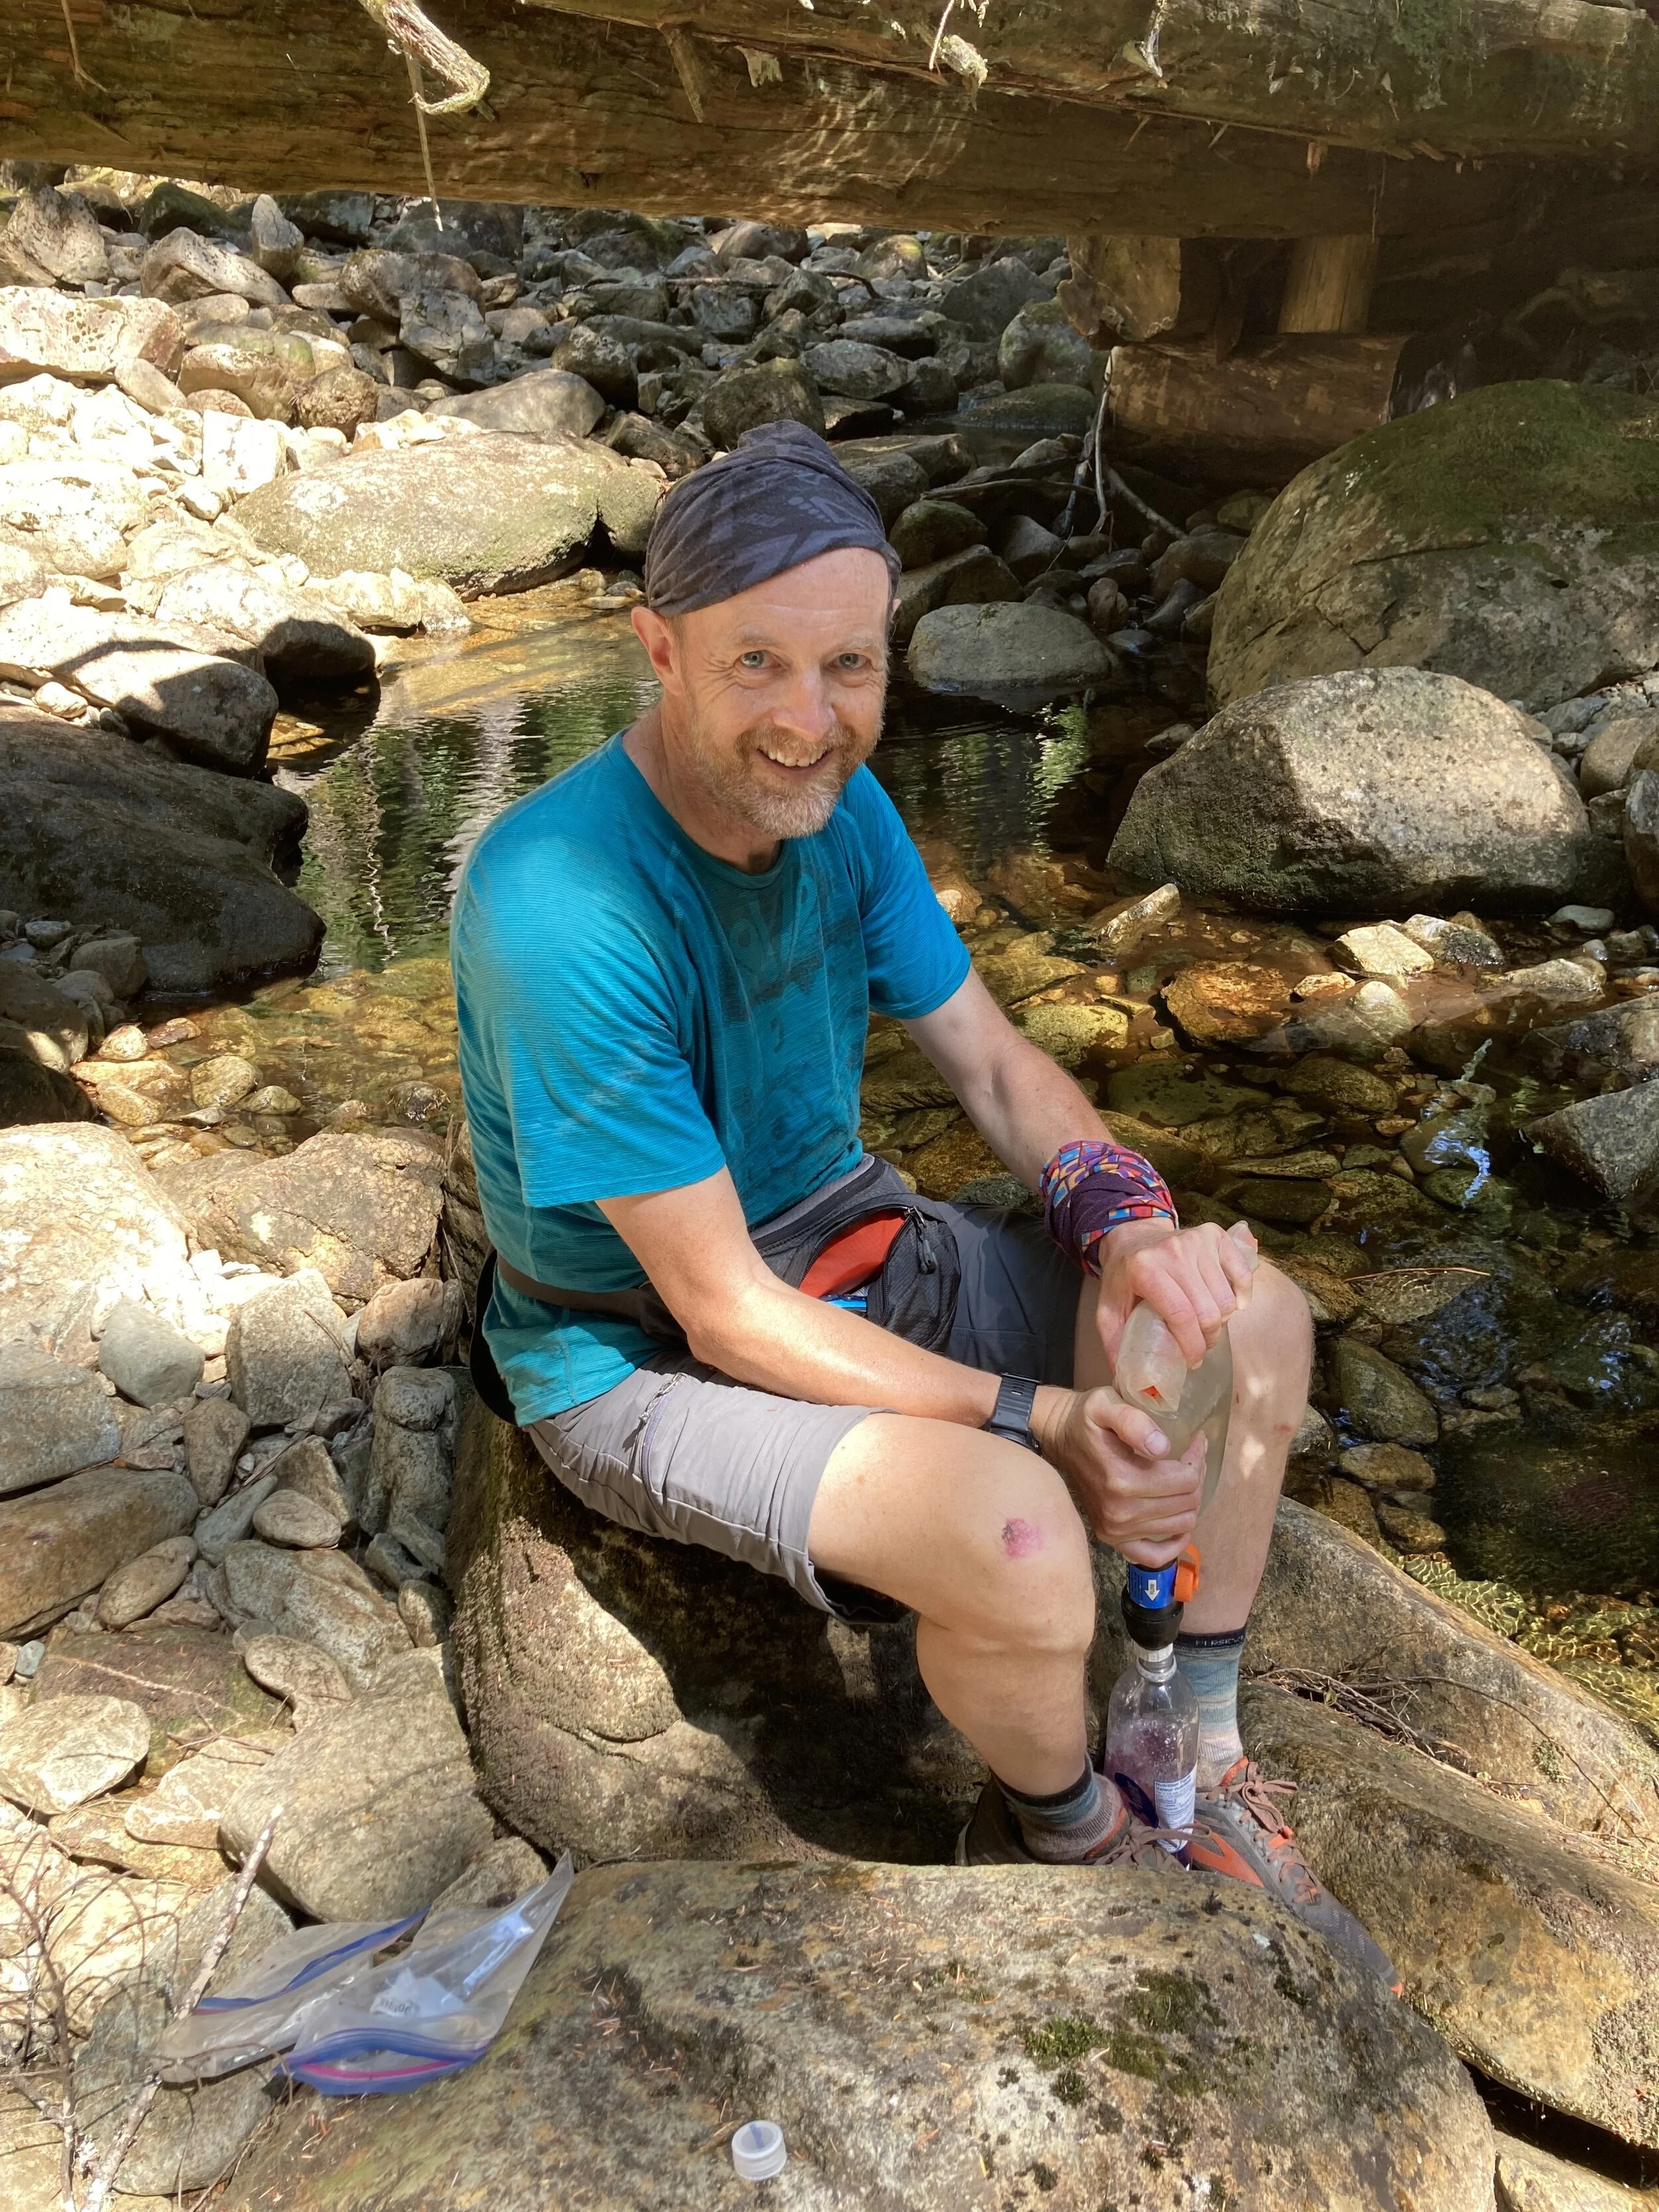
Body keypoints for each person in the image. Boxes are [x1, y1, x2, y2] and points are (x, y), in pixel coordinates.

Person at [451, 421, 1394, 1984]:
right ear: (656, 648)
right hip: (634, 1352)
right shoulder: (556, 900)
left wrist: (1136, 1239)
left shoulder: (845, 806)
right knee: (1024, 1535)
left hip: (851, 1240)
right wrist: (1040, 1416)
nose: (808, 722)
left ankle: (1193, 1758)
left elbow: (995, 1068)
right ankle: (1073, 1833)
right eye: (757, 664)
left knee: (1258, 1326)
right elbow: (720, 1310)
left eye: (847, 669)